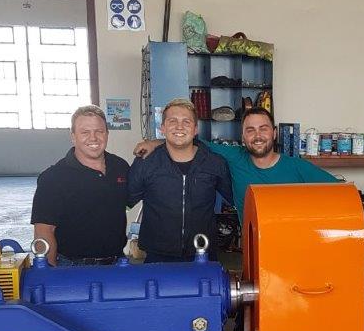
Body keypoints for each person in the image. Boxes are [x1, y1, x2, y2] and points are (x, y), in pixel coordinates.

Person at [133, 106, 338, 219]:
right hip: (253, 252)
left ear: (274, 133)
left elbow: (341, 194)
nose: (257, 136)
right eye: (250, 130)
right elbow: (189, 140)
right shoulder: (233, 157)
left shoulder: (298, 167)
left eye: (264, 129)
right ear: (242, 137)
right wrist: (155, 143)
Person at [128, 98, 233, 262]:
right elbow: (126, 201)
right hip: (157, 256)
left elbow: (236, 198)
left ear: (195, 129)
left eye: (186, 121)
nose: (179, 126)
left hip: (202, 253)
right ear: (162, 128)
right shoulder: (145, 163)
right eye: (172, 121)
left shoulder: (215, 163)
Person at [31, 104, 129, 266]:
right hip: (73, 267)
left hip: (117, 263)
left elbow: (130, 201)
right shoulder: (53, 178)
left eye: (99, 131)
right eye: (85, 132)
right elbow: (44, 231)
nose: (93, 138)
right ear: (73, 136)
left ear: (107, 134)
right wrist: (48, 273)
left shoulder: (120, 166)